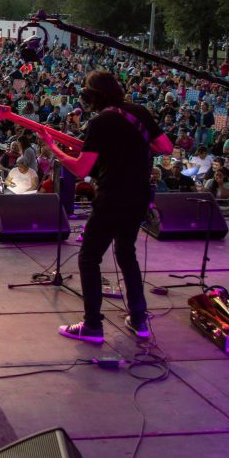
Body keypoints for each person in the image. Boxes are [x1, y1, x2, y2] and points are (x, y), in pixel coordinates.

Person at [39, 70, 172, 343]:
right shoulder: (139, 112)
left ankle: (92, 326)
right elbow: (165, 147)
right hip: (139, 196)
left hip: (112, 195)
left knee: (89, 258)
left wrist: (54, 150)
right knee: (126, 254)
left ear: (92, 96)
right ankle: (139, 320)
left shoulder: (100, 122)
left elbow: (82, 168)